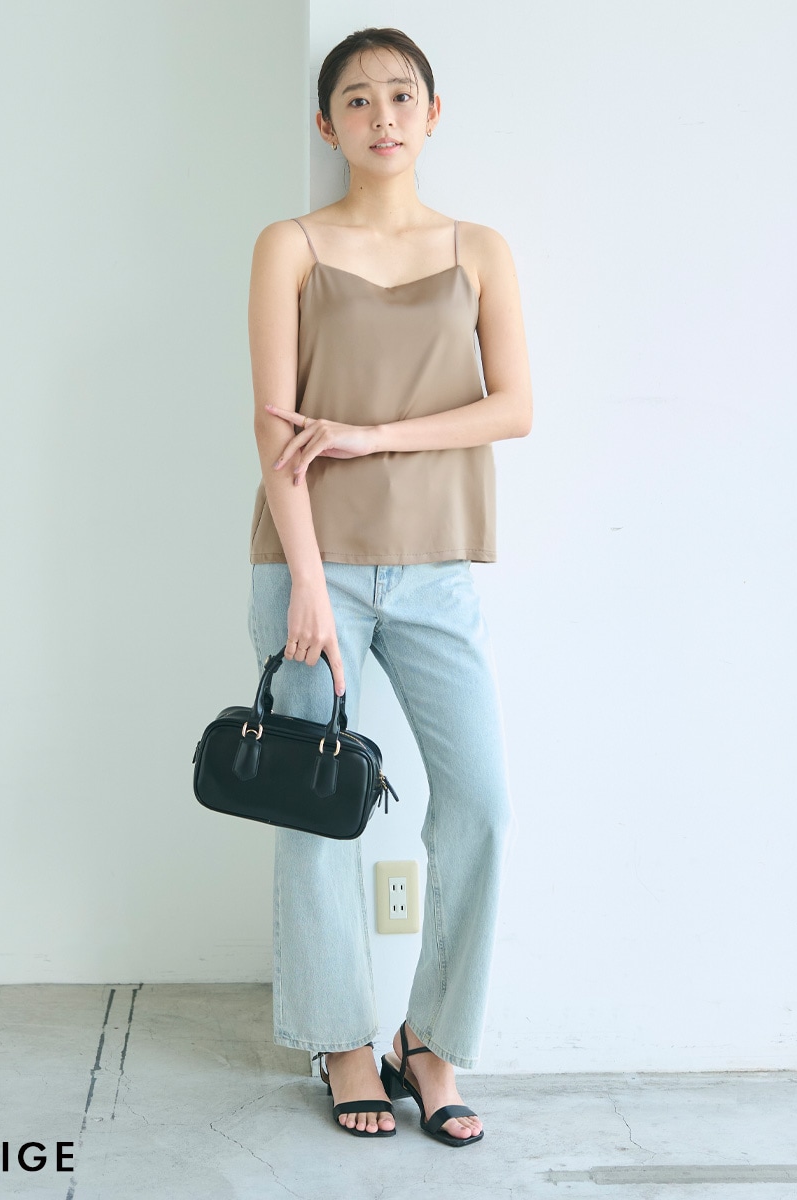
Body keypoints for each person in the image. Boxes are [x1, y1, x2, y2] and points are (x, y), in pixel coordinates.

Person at [246, 27, 532, 1146]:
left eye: (402, 96)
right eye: (357, 100)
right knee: (317, 809)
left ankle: (433, 1041)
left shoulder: (479, 249)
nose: (382, 116)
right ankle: (344, 1043)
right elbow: (273, 428)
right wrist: (307, 583)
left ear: (432, 113)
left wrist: (373, 435)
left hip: (436, 568)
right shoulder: (291, 245)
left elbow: (513, 407)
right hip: (310, 568)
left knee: (482, 804)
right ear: (327, 124)